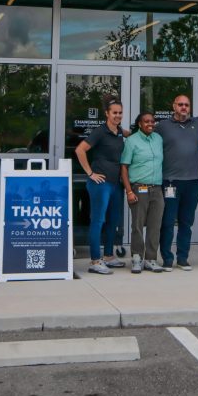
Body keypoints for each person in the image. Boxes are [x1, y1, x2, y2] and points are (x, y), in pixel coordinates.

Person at [75, 98, 127, 274]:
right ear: (107, 113)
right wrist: (90, 173)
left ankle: (108, 256)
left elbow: (134, 134)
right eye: (114, 112)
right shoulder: (100, 132)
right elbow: (80, 150)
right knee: (98, 221)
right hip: (100, 183)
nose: (118, 115)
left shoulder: (119, 131)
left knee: (113, 221)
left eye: (120, 112)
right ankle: (95, 261)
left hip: (116, 184)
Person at [157, 94, 198, 272]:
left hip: (193, 181)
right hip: (170, 181)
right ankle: (167, 259)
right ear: (174, 106)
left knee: (186, 222)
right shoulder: (162, 126)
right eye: (180, 104)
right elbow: (146, 137)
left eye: (187, 105)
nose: (184, 107)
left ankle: (183, 258)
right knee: (168, 221)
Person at [121, 112, 165, 274]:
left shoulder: (158, 139)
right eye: (146, 121)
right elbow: (124, 167)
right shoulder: (132, 141)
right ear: (139, 124)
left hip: (157, 189)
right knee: (138, 226)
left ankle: (151, 259)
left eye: (152, 121)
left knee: (155, 226)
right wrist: (129, 191)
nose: (150, 124)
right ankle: (137, 258)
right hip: (139, 188)